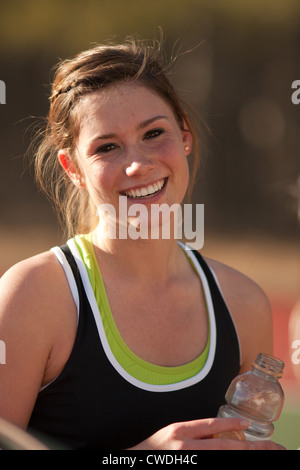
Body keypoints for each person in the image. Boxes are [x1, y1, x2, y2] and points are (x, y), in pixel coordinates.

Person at [0, 38, 285, 450]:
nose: (138, 164)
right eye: (107, 147)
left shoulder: (244, 305)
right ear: (72, 168)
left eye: (154, 133)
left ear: (184, 135)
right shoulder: (32, 296)